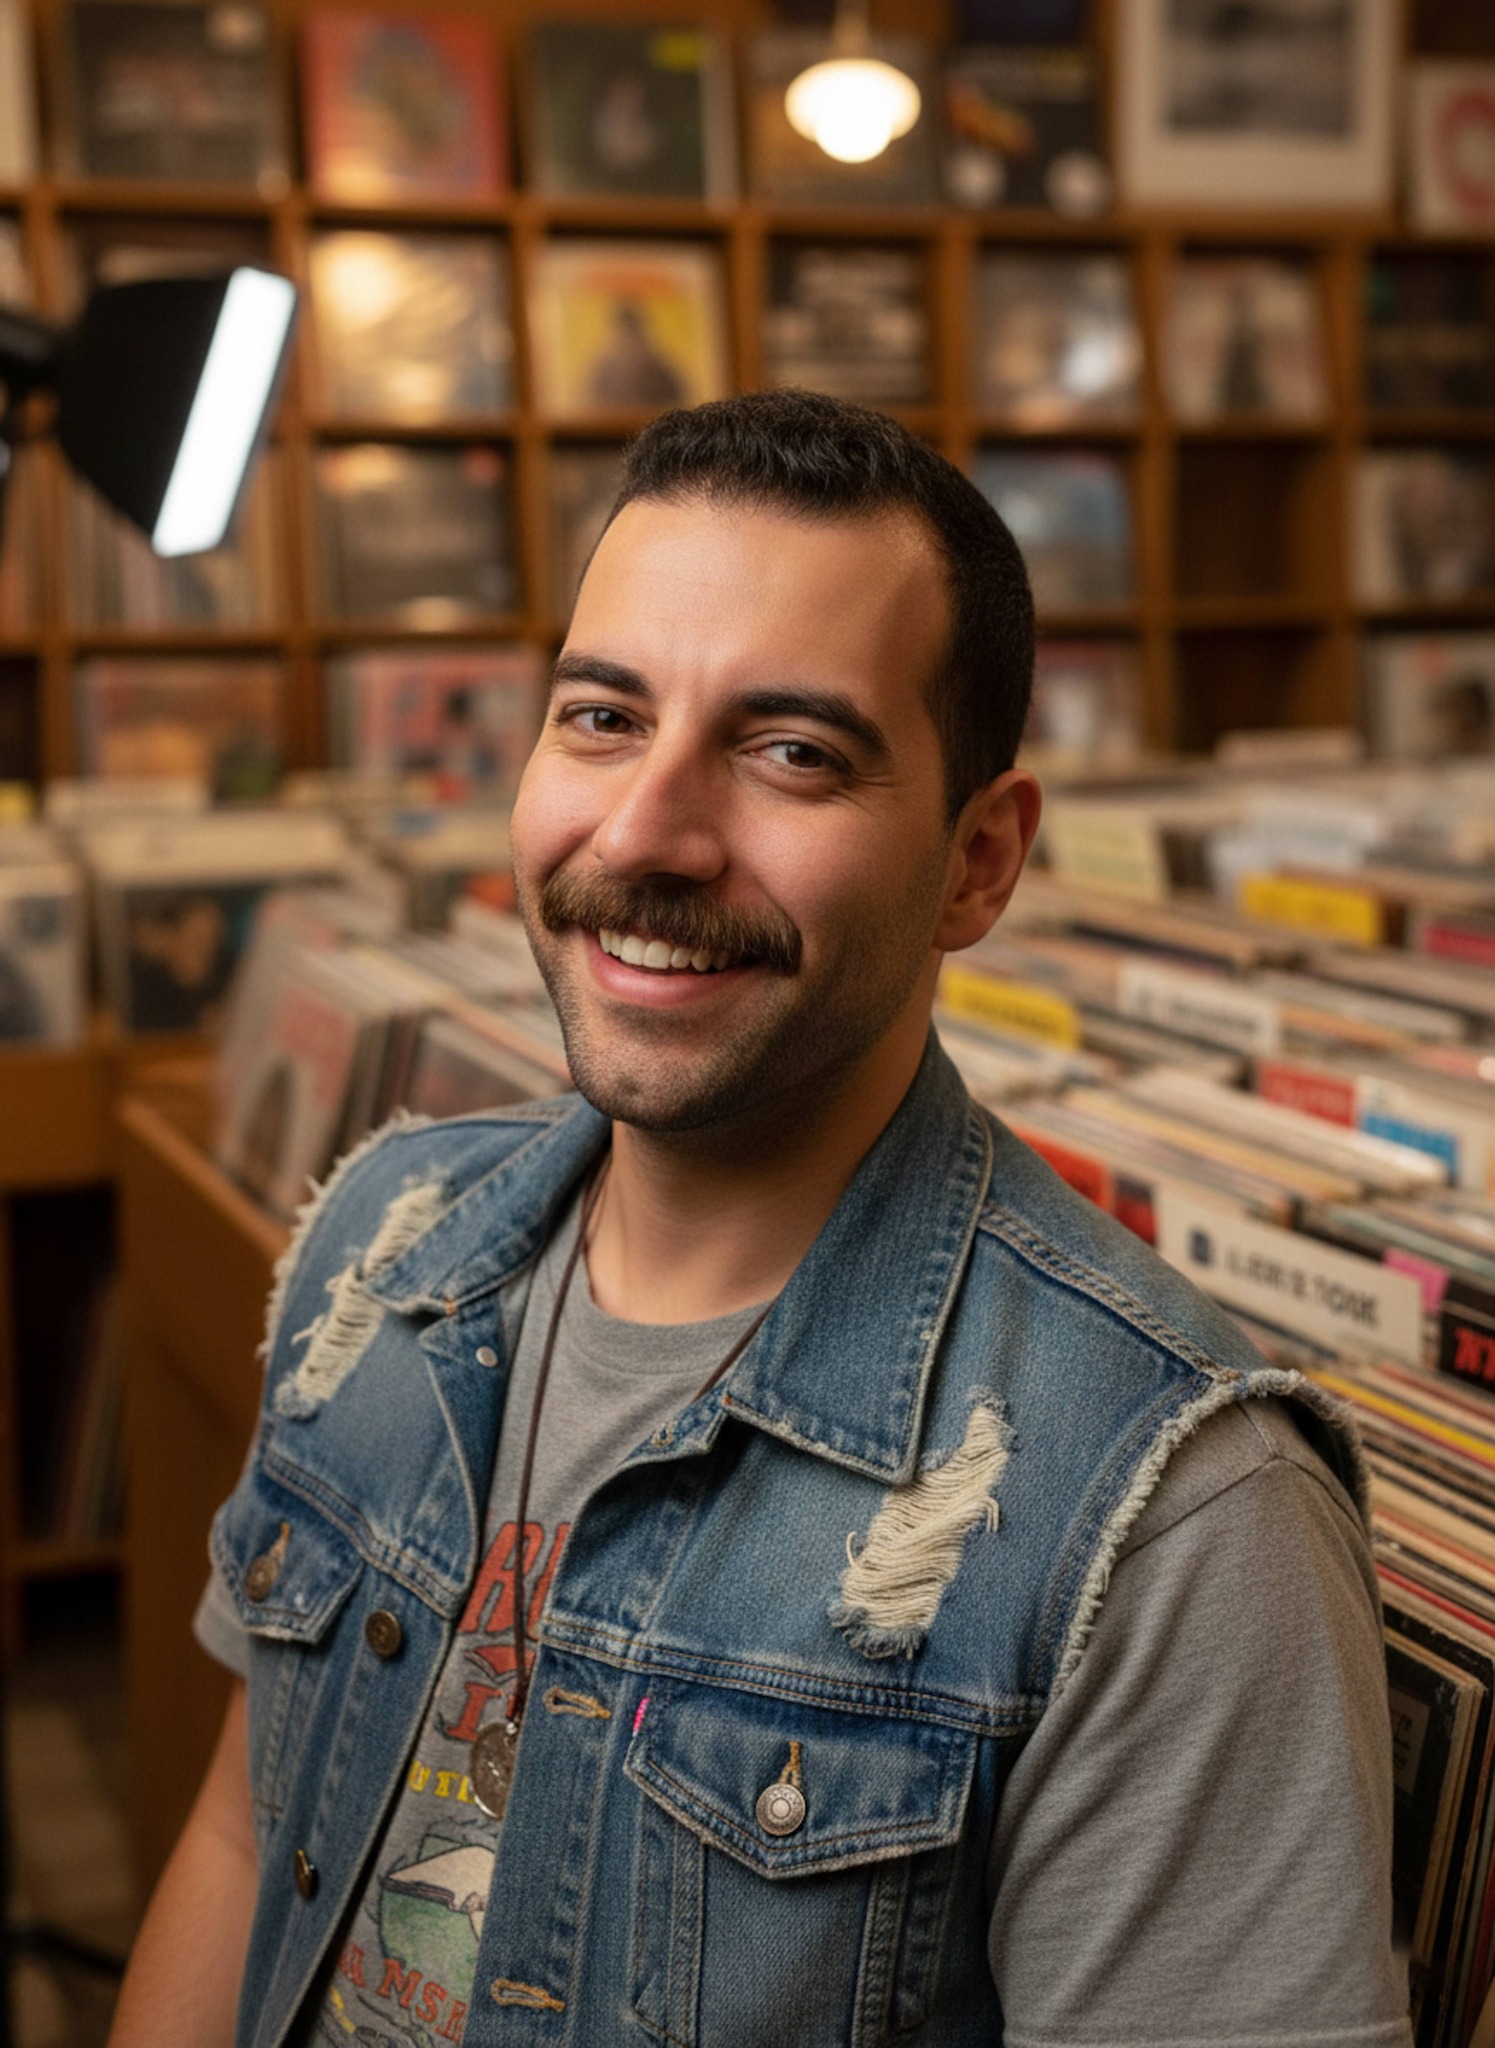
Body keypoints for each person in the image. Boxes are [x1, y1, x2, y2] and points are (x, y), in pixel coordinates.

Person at [109, 390, 1407, 2048]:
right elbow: (245, 1832)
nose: (646, 831)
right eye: (600, 717)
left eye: (792, 750)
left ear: (976, 864)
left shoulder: (1174, 1522)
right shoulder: (379, 1243)